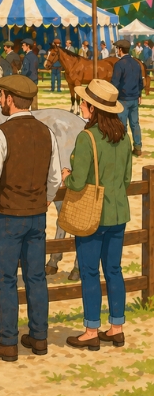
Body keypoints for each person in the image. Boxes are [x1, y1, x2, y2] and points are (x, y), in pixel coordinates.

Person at [0, 75, 62, 361]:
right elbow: (55, 176)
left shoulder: (0, 134)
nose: (0, 100)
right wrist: (46, 199)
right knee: (36, 277)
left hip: (9, 215)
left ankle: (7, 340)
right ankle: (39, 337)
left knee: (4, 277)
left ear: (10, 100)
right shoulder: (47, 133)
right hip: (37, 215)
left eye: (2, 96)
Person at [60, 80, 131, 351]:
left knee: (90, 272)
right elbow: (125, 178)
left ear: (94, 108)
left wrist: (67, 176)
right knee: (114, 270)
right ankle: (116, 327)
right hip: (118, 211)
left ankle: (91, 329)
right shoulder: (123, 136)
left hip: (93, 214)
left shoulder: (87, 137)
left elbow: (78, 182)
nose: (81, 105)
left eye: (84, 102)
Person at [111, 39, 143, 156]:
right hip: (134, 98)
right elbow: (141, 82)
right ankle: (138, 147)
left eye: (117, 49)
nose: (117, 51)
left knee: (122, 124)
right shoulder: (136, 63)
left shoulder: (119, 64)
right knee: (135, 124)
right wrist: (139, 94)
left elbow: (115, 83)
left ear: (120, 49)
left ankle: (123, 148)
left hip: (123, 99)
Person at [20, 39, 39, 110]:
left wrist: (21, 76)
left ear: (28, 46)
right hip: (34, 80)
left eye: (23, 45)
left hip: (28, 81)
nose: (22, 47)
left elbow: (26, 70)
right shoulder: (35, 56)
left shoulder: (27, 57)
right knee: (34, 101)